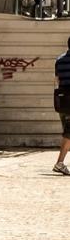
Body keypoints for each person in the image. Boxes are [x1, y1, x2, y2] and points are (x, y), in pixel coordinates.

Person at [54, 36, 70, 176]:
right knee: (68, 133)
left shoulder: (59, 60)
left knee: (68, 131)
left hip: (63, 100)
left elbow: (57, 80)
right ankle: (59, 163)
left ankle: (60, 163)